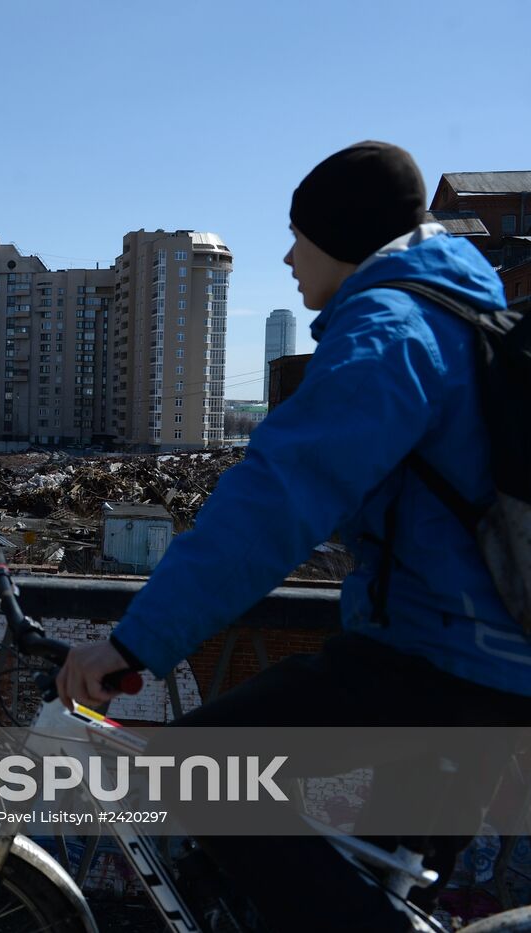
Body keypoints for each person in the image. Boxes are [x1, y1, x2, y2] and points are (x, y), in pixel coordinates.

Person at [55, 141, 531, 931]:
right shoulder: (454, 310)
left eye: (297, 236)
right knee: (370, 882)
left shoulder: (391, 330)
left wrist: (135, 642)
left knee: (197, 770)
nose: (287, 257)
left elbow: (276, 499)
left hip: (439, 664)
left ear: (342, 236)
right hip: (480, 661)